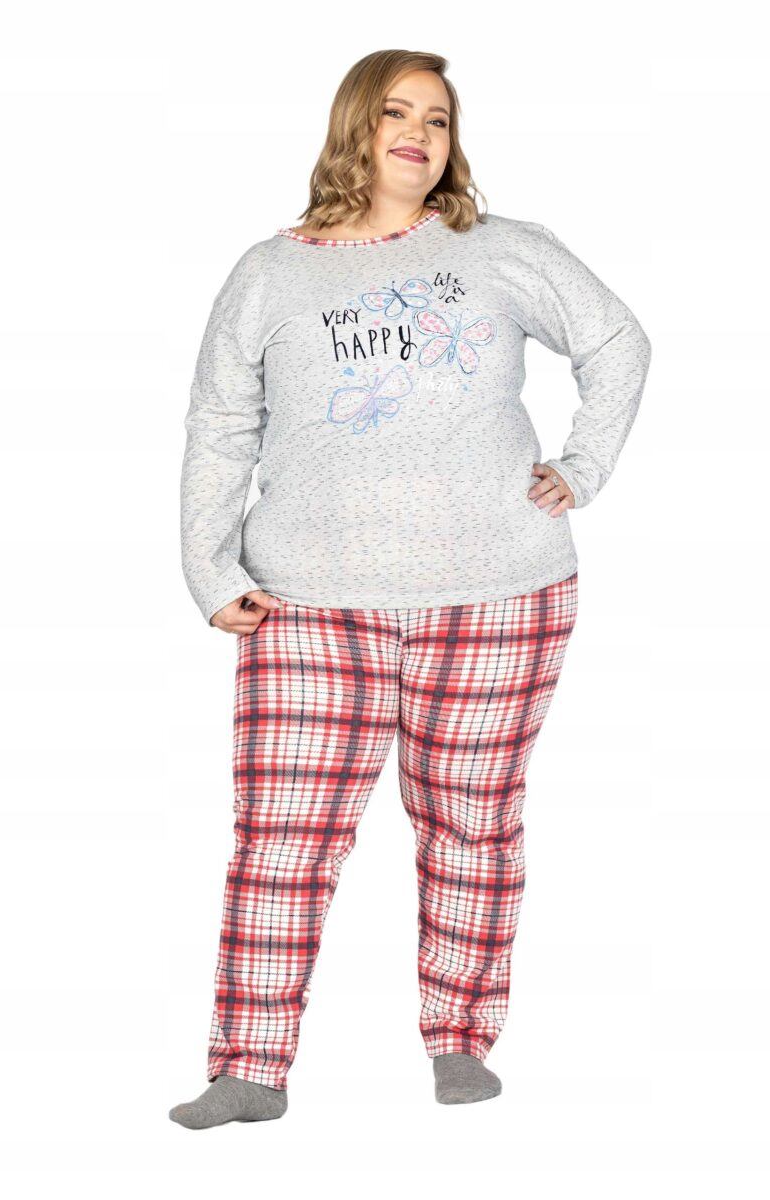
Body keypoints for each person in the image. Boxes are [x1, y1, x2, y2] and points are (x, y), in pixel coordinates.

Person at [170, 48, 651, 1128]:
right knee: (283, 836)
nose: (420, 134)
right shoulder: (268, 272)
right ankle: (250, 1067)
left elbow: (618, 342)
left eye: (438, 118)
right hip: (305, 599)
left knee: (470, 823)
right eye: (397, 112)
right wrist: (209, 568)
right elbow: (220, 425)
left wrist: (581, 469)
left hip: (499, 594)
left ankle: (459, 1039)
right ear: (354, 123)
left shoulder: (499, 249)